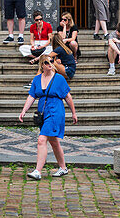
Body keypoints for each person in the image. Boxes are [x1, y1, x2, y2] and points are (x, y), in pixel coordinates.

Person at [19, 52, 78, 180]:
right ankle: (63, 168)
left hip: (56, 111)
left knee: (41, 139)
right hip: (43, 111)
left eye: (52, 61)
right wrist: (24, 110)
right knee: (54, 141)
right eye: (47, 62)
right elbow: (32, 96)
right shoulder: (37, 79)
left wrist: (73, 112)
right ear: (42, 65)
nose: (50, 64)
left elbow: (68, 97)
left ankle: (38, 171)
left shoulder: (59, 78)